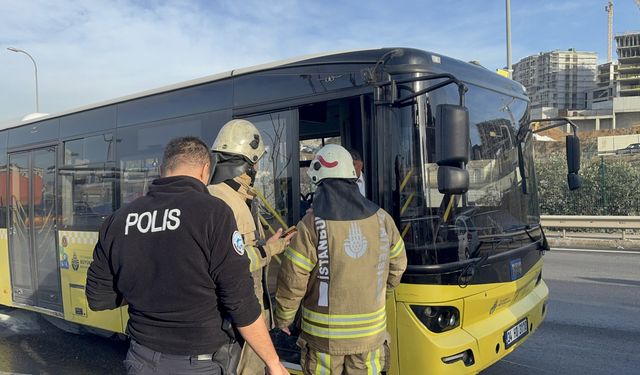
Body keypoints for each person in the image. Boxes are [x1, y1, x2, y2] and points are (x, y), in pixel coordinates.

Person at [85, 136, 288, 375]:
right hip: (197, 364)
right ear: (205, 170)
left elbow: (98, 298)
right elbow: (240, 300)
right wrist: (273, 362)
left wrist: (149, 286)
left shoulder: (118, 220)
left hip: (140, 361)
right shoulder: (214, 213)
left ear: (162, 170)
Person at [274, 144, 407, 375]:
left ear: (320, 180)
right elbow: (398, 266)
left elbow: (293, 279)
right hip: (370, 339)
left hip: (324, 342)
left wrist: (283, 318)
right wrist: (378, 293)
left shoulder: (312, 225)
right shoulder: (383, 219)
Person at [208, 119, 296, 374]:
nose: (258, 168)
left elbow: (243, 251)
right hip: (235, 324)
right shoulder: (221, 201)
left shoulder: (239, 198)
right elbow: (233, 263)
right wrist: (270, 250)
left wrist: (269, 245)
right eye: (257, 161)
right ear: (248, 161)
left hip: (248, 318)